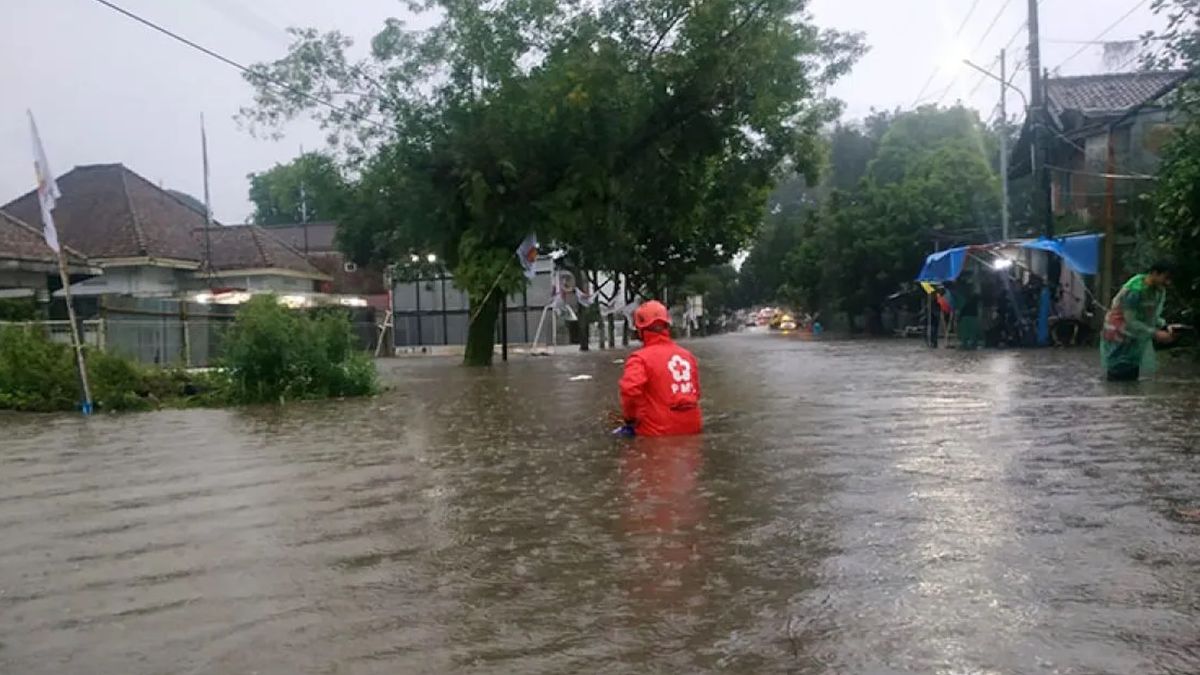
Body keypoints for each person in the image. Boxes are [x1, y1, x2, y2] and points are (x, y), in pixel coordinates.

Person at [617, 301, 704, 437]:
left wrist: (630, 419)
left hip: (657, 431)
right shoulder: (687, 356)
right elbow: (696, 393)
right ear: (667, 325)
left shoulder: (639, 359)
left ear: (640, 329)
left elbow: (630, 391)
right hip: (693, 427)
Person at [1101, 261, 1177, 381]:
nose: (1168, 282)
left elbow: (1152, 315)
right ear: (1154, 273)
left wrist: (1165, 326)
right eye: (1166, 278)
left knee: (1132, 373)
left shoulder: (1158, 290)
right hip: (1120, 335)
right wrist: (1155, 333)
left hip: (1137, 335)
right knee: (1118, 373)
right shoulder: (1135, 291)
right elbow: (1130, 321)